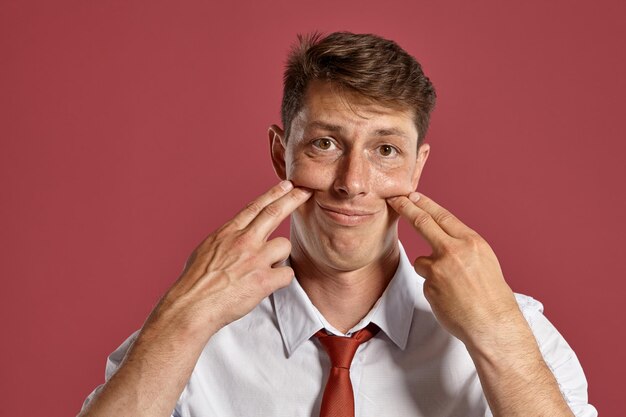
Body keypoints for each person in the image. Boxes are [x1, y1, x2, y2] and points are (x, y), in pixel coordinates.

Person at [78, 31, 597, 417]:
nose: (353, 182)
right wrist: (184, 319)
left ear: (417, 167)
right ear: (281, 154)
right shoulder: (192, 335)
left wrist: (499, 335)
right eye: (324, 143)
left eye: (386, 150)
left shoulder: (514, 330)